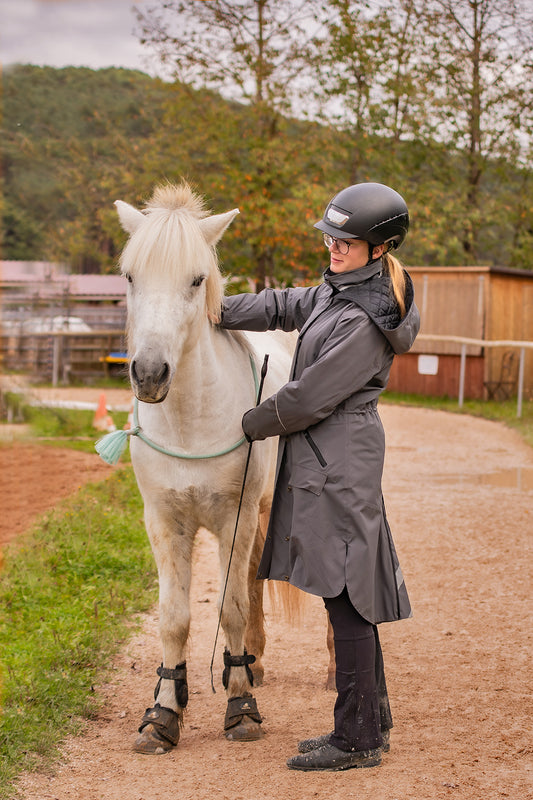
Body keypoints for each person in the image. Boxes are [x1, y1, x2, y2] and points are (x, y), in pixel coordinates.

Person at [219, 182, 420, 772]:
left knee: (348, 594)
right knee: (349, 589)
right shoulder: (344, 290)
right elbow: (282, 304)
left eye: (347, 241)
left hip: (341, 460)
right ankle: (369, 720)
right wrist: (212, 308)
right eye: (330, 236)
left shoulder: (365, 318)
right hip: (333, 458)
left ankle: (355, 740)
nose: (333, 246)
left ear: (378, 248)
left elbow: (310, 397)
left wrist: (249, 424)